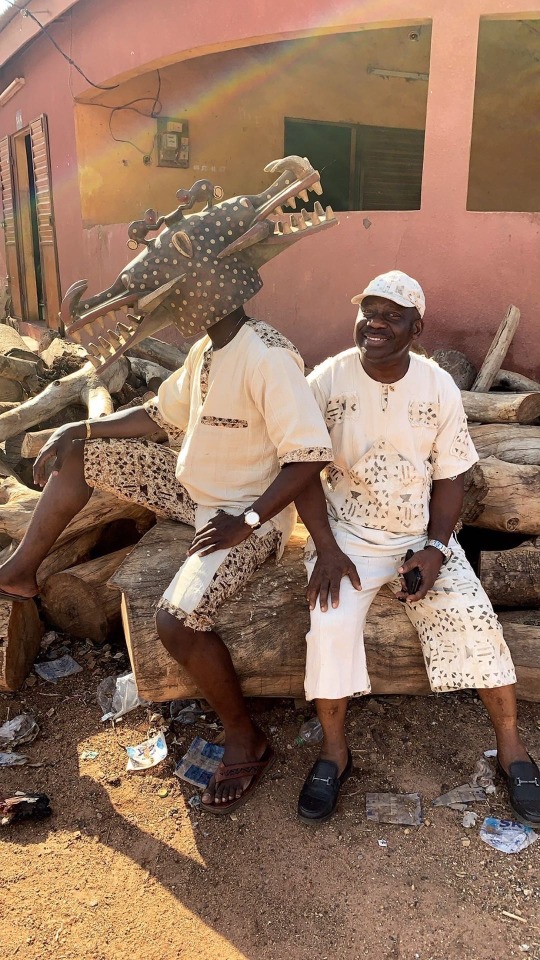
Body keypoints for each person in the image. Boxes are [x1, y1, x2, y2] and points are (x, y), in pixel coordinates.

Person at [0, 306, 333, 814]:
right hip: (193, 492)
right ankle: (20, 572)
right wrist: (84, 428)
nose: (171, 303)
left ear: (211, 288)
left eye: (179, 290)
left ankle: (246, 738)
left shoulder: (268, 355)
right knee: (79, 453)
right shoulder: (208, 346)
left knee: (174, 621)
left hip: (248, 517)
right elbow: (158, 415)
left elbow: (308, 456)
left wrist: (245, 522)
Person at [295, 270, 540, 827]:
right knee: (329, 626)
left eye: (392, 314)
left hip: (417, 538)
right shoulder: (327, 380)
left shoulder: (437, 385)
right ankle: (335, 753)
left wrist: (434, 547)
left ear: (416, 326)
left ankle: (512, 751)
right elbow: (301, 468)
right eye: (369, 310)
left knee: (476, 618)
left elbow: (451, 476)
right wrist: (327, 548)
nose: (376, 322)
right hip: (347, 539)